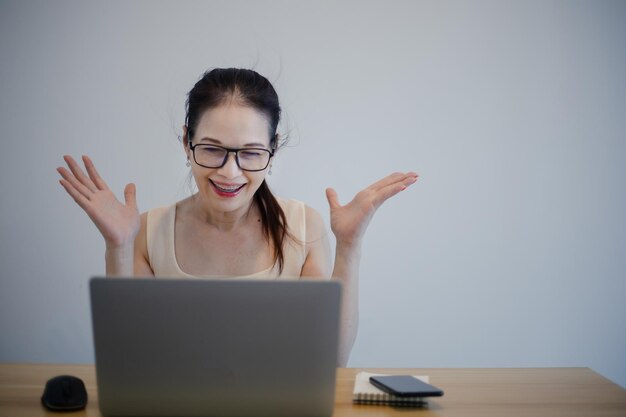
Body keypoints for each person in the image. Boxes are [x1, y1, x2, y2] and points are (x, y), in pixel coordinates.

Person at [57, 68, 418, 366]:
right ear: (187, 142)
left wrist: (349, 247)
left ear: (272, 149)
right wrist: (117, 246)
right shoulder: (149, 230)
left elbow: (331, 362)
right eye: (213, 149)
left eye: (250, 153)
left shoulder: (304, 226)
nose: (230, 172)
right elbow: (127, 363)